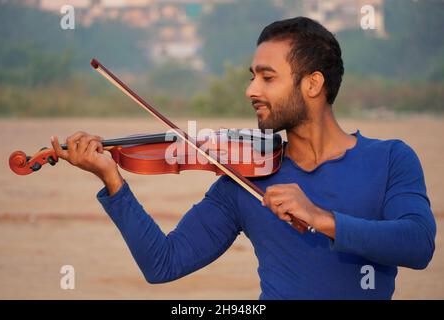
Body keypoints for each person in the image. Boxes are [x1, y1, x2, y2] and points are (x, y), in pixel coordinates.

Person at [50, 17, 436, 299]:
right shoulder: (242, 179)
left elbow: (418, 245)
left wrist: (322, 218)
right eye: (251, 76)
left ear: (313, 84)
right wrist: (112, 181)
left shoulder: (391, 159)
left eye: (267, 78)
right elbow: (162, 264)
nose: (251, 89)